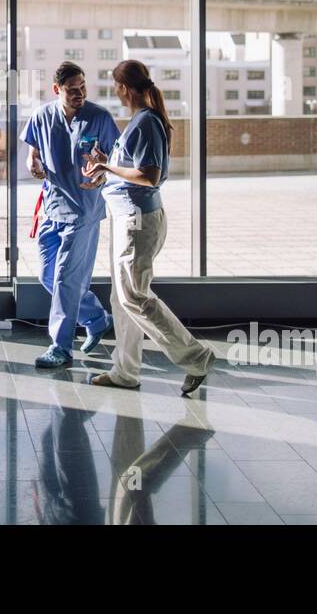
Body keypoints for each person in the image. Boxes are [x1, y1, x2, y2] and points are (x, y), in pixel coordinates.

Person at [81, 59, 216, 396]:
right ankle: (125, 372)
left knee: (135, 297)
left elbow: (149, 176)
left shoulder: (146, 122)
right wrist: (105, 168)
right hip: (128, 218)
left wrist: (107, 166)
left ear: (124, 87)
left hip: (136, 222)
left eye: (116, 85)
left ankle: (196, 357)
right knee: (122, 297)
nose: (115, 92)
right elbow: (130, 169)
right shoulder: (141, 121)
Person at [22, 61, 122, 369]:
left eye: (82, 88)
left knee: (67, 279)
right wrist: (32, 164)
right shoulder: (41, 117)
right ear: (57, 90)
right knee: (48, 275)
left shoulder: (100, 118)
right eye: (72, 90)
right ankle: (95, 318)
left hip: (83, 210)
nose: (79, 94)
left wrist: (102, 174)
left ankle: (60, 347)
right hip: (52, 207)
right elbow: (33, 152)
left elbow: (114, 161)